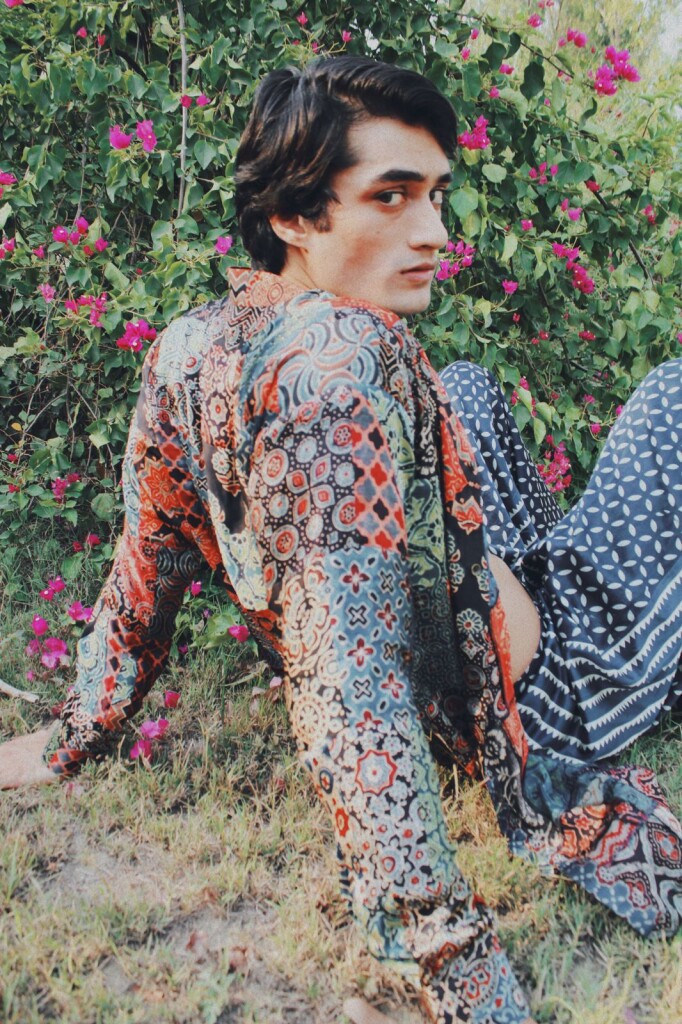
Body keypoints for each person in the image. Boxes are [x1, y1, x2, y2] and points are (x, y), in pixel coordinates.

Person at [1, 55, 680, 1024]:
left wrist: (77, 733)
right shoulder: (343, 365)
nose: (434, 232)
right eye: (391, 197)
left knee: (469, 387)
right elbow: (350, 678)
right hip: (552, 688)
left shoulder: (188, 345)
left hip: (489, 601)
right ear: (293, 214)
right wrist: (455, 963)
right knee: (672, 397)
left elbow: (146, 562)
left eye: (434, 195)